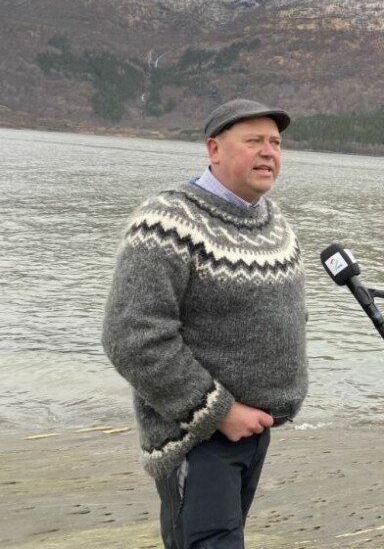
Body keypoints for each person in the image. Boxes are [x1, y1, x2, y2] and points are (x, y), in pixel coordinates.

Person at [102, 98, 309, 549]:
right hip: (198, 437)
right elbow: (132, 337)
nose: (268, 152)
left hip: (254, 434)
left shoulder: (275, 223)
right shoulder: (167, 222)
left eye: (275, 143)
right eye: (253, 141)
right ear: (214, 149)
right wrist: (220, 414)